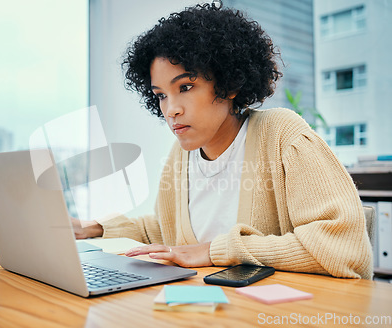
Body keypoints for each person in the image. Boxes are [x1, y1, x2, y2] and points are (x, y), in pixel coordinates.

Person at [74, 2, 372, 279]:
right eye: (161, 95)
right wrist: (96, 228)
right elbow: (166, 229)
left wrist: (214, 251)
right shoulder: (181, 155)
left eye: (186, 86)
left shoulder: (283, 136)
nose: (170, 109)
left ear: (229, 85)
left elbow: (344, 247)